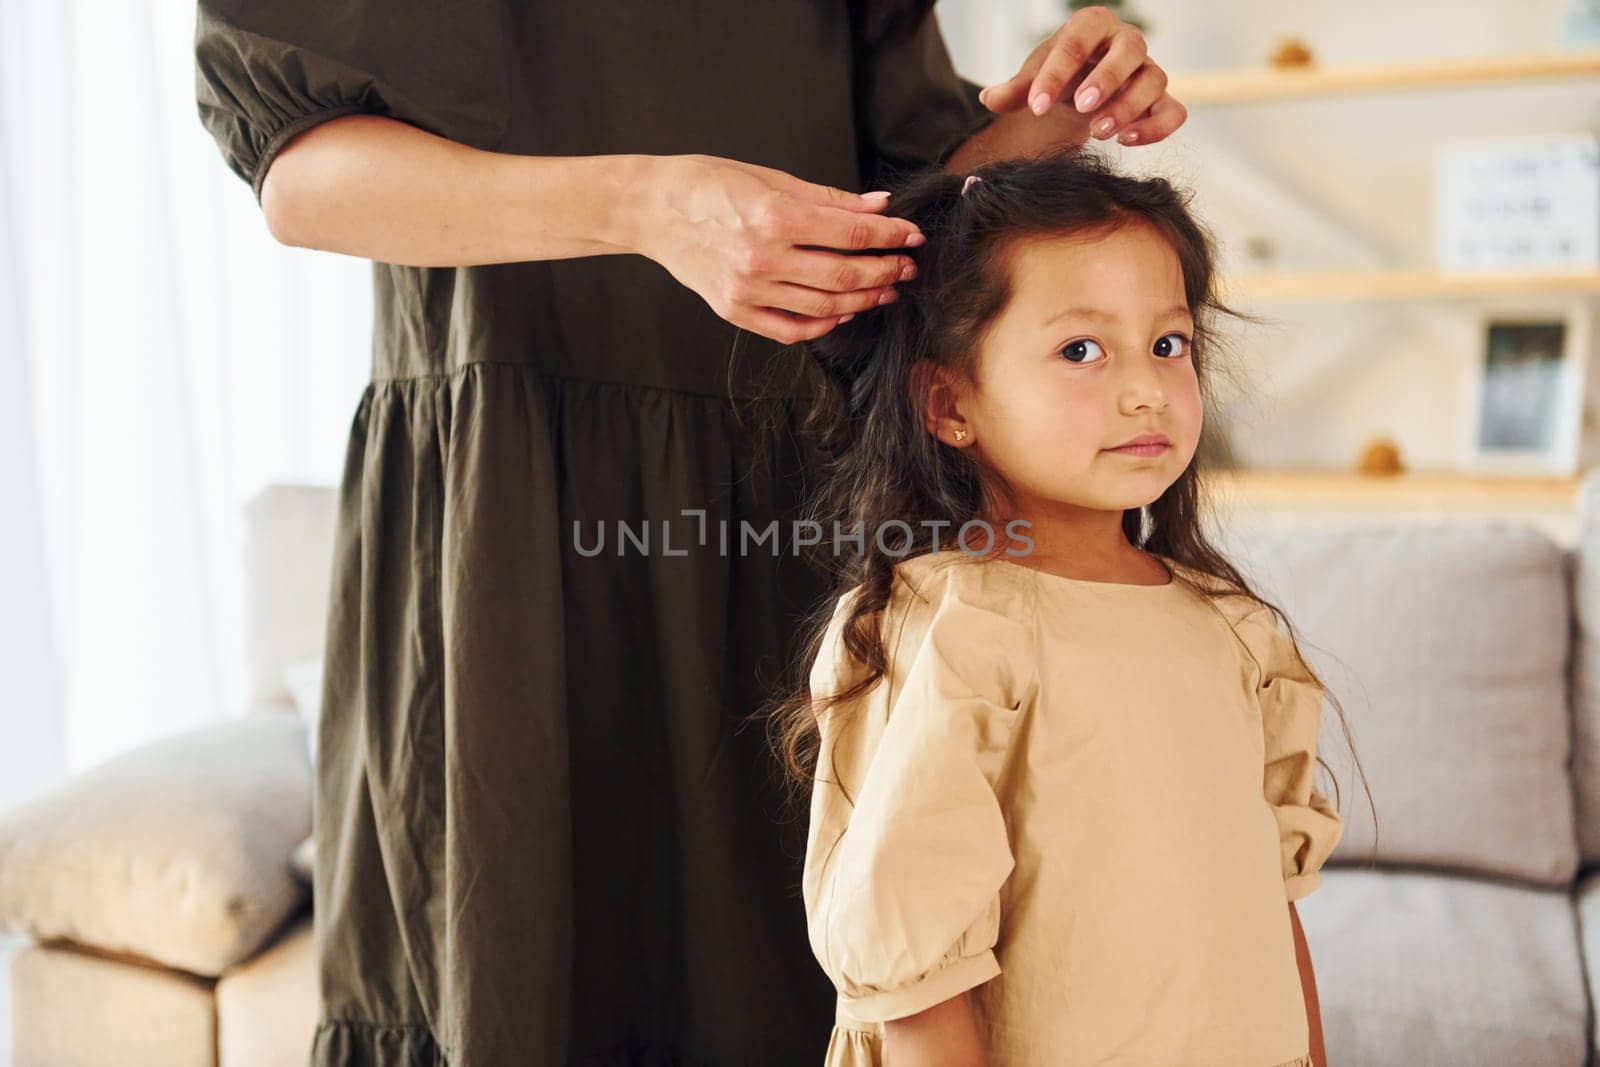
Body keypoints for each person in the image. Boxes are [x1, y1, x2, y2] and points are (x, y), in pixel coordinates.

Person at [191, 1, 1190, 1062]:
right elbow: (299, 180)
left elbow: (903, 206)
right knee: (530, 977)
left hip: (804, 514)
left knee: (808, 976)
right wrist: (650, 203)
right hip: (518, 526)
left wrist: (1045, 124)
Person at [766, 148, 1373, 1066]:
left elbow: (1271, 913)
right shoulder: (960, 631)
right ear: (949, 401)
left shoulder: (1231, 629)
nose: (1144, 388)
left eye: (1169, 344)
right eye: (1081, 350)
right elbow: (919, 977)